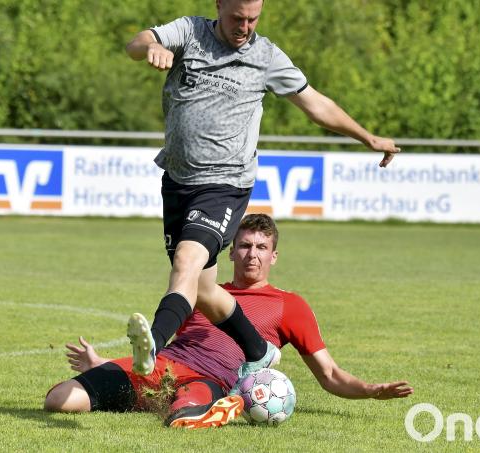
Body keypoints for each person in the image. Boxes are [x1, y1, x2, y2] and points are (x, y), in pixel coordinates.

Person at [123, 0, 402, 386]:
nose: (245, 26)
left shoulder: (266, 56)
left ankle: (152, 344)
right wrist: (151, 47)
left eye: (253, 18)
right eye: (237, 17)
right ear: (219, 5)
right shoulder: (189, 32)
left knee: (185, 263)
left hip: (225, 185)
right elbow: (137, 42)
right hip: (178, 180)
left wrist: (367, 137)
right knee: (203, 290)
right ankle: (258, 351)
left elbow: (316, 104)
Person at [45, 214, 413, 429]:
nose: (252, 254)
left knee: (180, 418)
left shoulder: (290, 305)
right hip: (167, 365)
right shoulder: (204, 290)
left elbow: (329, 375)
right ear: (231, 251)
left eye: (261, 247)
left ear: (274, 256)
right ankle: (145, 395)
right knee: (59, 400)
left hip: (214, 379)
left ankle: (225, 404)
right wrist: (102, 365)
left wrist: (369, 390)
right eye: (245, 246)